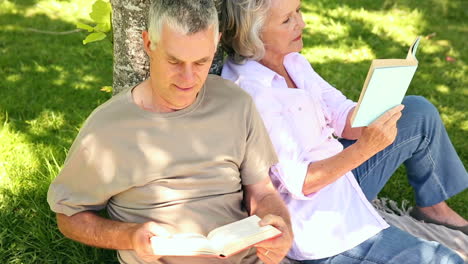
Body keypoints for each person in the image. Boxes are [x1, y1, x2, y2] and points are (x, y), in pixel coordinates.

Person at [219, 0, 468, 263]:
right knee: (444, 259)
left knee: (418, 112)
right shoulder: (252, 93)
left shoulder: (292, 62)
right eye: (287, 20)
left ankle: (433, 209)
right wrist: (366, 149)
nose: (301, 23)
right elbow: (300, 182)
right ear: (253, 34)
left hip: (342, 180)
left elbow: (345, 118)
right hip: (319, 222)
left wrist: (381, 102)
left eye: (299, 11)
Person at [47, 1, 294, 263]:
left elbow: (263, 192)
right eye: (174, 61)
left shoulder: (235, 102)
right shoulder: (107, 129)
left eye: (201, 62)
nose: (188, 79)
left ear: (216, 44)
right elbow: (69, 216)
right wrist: (130, 236)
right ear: (149, 44)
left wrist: (279, 227)